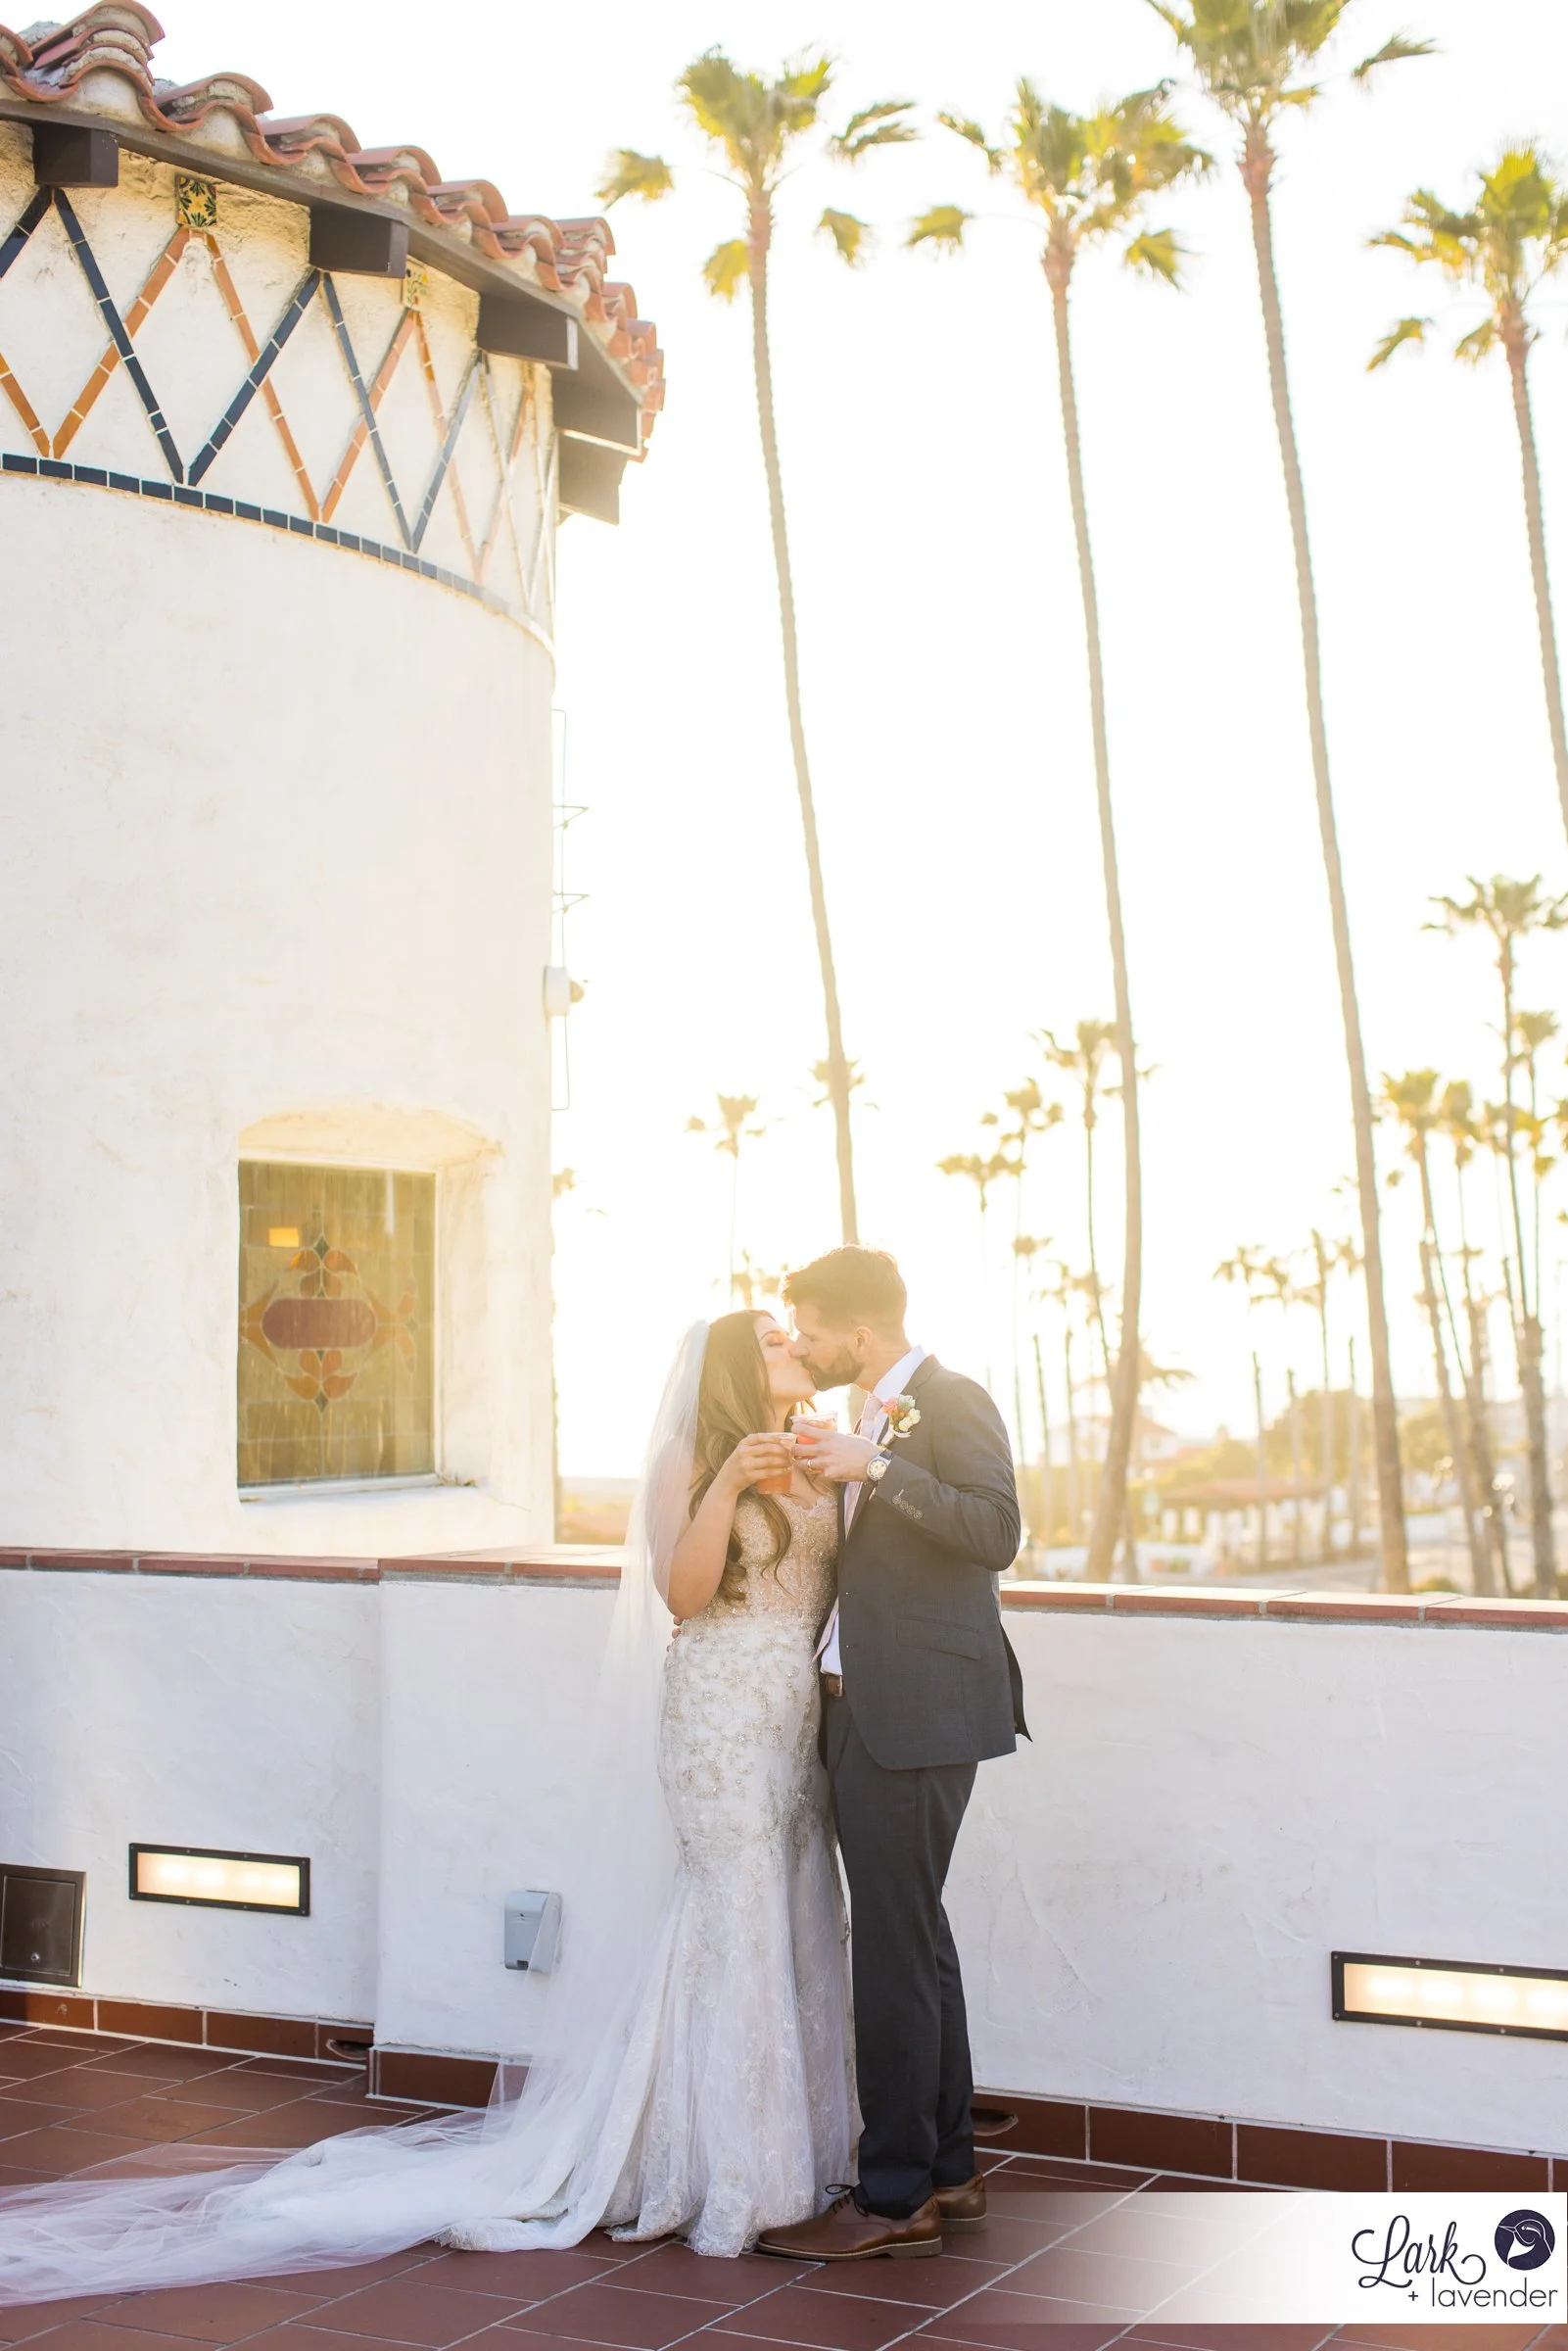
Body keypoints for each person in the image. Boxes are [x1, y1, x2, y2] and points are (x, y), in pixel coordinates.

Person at [0, 1311, 854, 2298]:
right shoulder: (693, 1457)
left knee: (791, 1903)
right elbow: (683, 1594)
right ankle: (722, 2167)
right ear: (735, 1368)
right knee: (730, 1910)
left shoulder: (823, 1453)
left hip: (796, 1715)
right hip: (718, 1714)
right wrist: (732, 1484)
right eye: (773, 1338)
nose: (795, 1345)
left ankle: (791, 2149)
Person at [754, 1246, 1026, 2264]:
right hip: (862, 1709)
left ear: (858, 1334)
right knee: (913, 1939)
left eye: (811, 1331)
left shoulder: (949, 1401)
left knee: (893, 1952)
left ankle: (894, 2196)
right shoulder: (861, 1414)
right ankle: (948, 2175)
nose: (806, 1346)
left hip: (916, 1713)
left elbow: (994, 1530)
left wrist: (873, 1468)